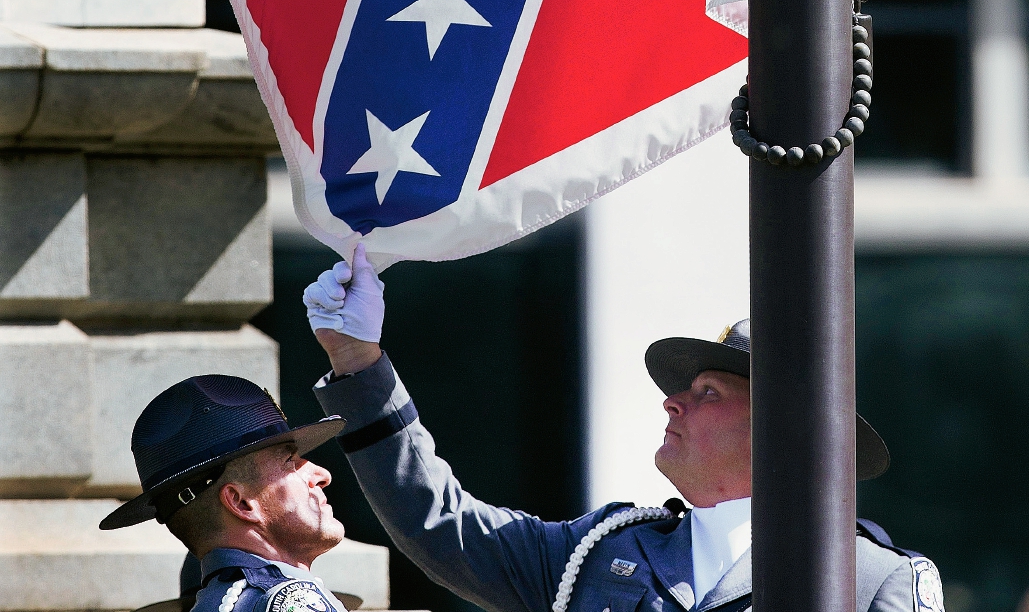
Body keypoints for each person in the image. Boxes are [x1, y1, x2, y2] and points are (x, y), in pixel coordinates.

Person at [304, 245, 945, 612]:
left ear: (780, 430)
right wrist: (357, 363)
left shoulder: (872, 581)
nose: (672, 404)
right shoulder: (600, 553)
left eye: (706, 392)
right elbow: (443, 529)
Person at [99, 374, 350, 612]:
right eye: (289, 462)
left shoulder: (227, 600)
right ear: (241, 503)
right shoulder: (292, 603)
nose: (322, 475)